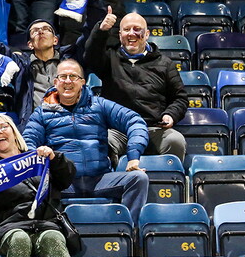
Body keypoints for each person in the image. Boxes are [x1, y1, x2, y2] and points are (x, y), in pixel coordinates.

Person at [23, 58, 150, 224]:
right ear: (56, 82)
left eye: (73, 77)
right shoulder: (41, 113)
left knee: (138, 179)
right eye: (63, 77)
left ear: (82, 82)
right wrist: (39, 156)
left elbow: (134, 121)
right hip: (63, 184)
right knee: (31, 185)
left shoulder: (99, 105)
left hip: (100, 180)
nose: (67, 81)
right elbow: (28, 141)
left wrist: (133, 156)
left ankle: (128, 231)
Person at [0, 0, 107, 128]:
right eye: (34, 31)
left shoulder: (72, 58)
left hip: (71, 126)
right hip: (35, 128)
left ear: (55, 40)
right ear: (30, 44)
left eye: (46, 29)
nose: (40, 31)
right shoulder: (20, 64)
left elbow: (91, 28)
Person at [85, 10, 188, 162]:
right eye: (126, 30)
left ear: (147, 34)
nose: (131, 33)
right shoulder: (109, 59)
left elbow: (180, 98)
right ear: (120, 35)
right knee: (101, 141)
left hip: (153, 128)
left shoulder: (165, 64)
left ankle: (167, 183)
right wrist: (101, 30)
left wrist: (171, 115)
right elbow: (90, 56)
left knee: (175, 141)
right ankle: (112, 183)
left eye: (136, 29)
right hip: (118, 130)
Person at [0, 113, 75, 257]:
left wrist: (53, 158)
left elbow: (66, 179)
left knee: (52, 238)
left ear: (13, 132)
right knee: (20, 239)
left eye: (3, 126)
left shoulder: (40, 159)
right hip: (12, 229)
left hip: (47, 225)